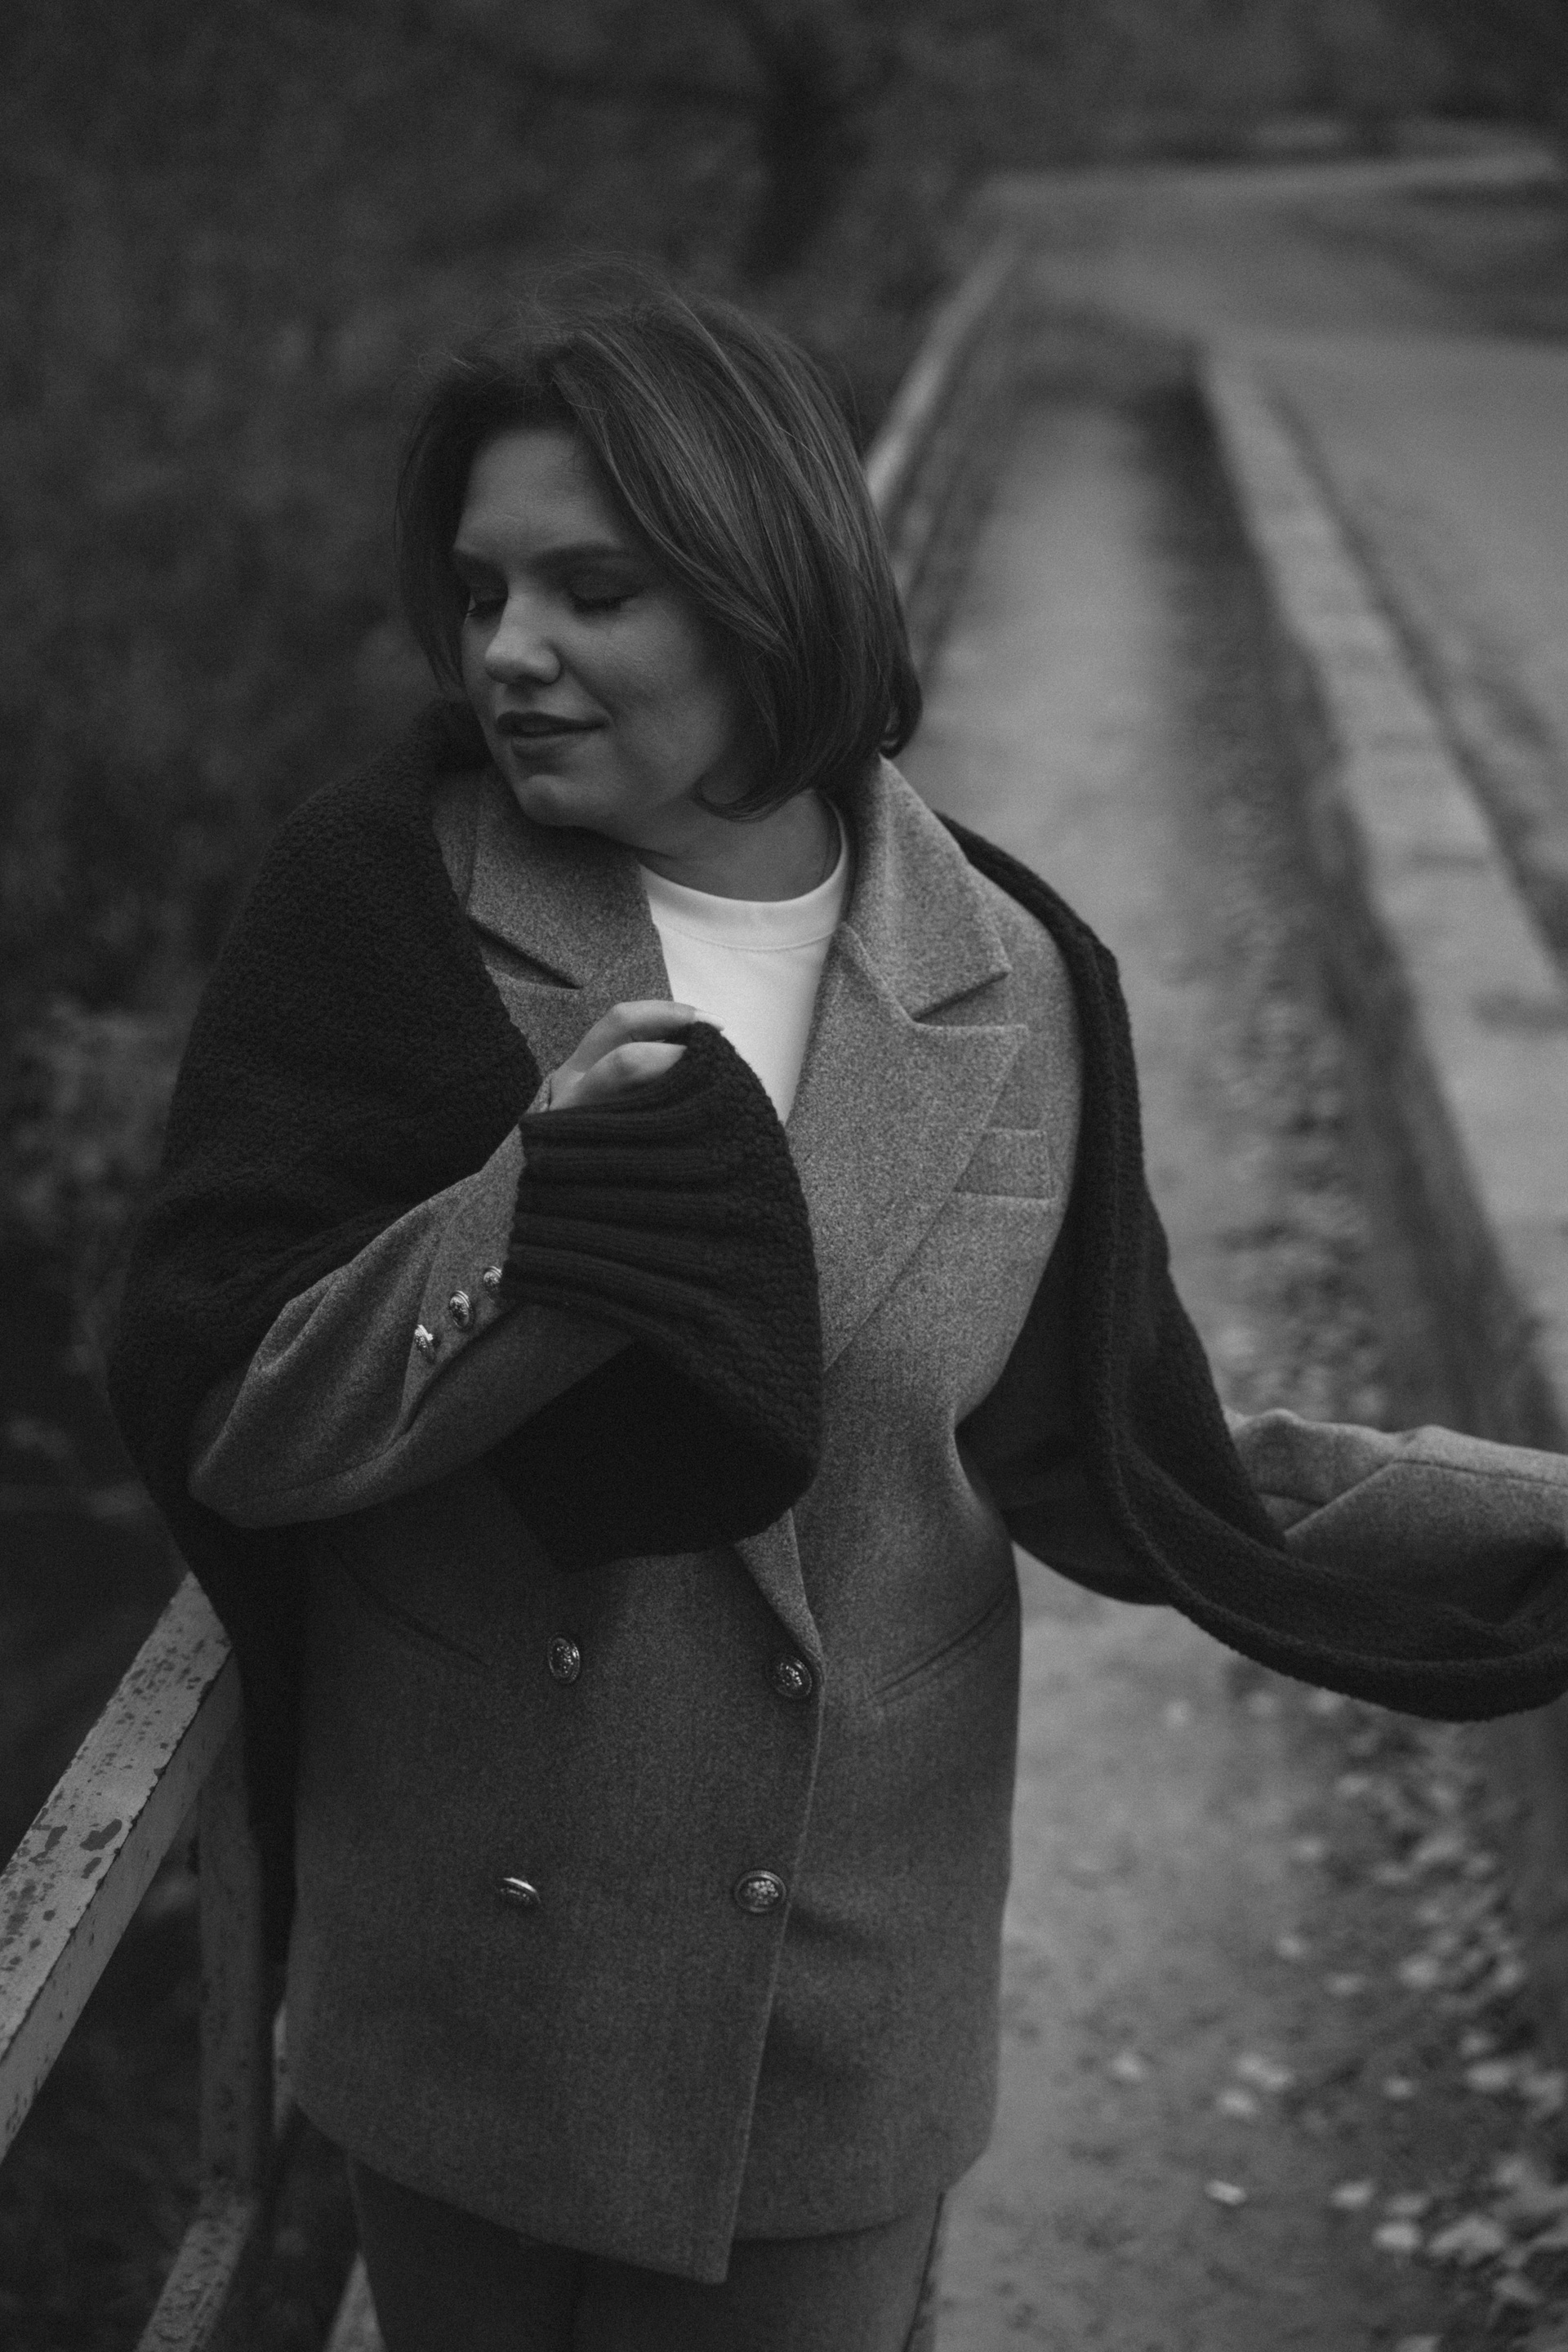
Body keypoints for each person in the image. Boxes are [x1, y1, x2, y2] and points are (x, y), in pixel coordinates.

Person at [108, 275, 1568, 2352]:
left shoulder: (1017, 976)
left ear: (762, 590)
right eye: (484, 591)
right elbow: (237, 1413)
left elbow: (1121, 1452)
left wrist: (1525, 1517)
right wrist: (542, 1215)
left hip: (832, 1978)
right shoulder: (380, 908)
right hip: (471, 1970)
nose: (508, 651)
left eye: (594, 589)